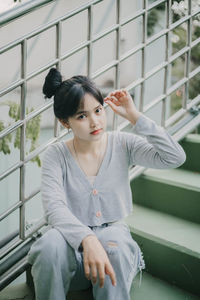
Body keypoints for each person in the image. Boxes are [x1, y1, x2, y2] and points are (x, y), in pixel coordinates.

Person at [27, 68, 186, 300]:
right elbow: (54, 207)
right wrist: (87, 239)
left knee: (114, 243)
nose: (95, 122)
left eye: (98, 110)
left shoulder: (123, 144)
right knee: (50, 243)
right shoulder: (56, 155)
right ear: (65, 122)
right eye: (82, 116)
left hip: (112, 249)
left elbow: (174, 157)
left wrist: (134, 116)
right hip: (69, 248)